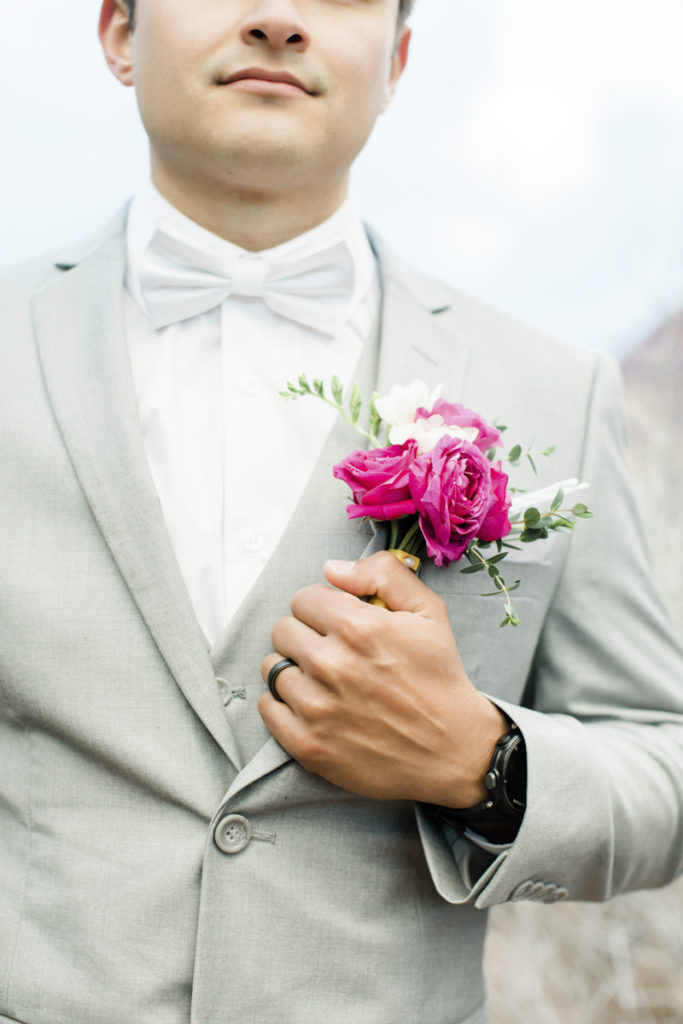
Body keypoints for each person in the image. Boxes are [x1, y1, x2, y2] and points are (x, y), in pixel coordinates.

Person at [1, 2, 682, 1023]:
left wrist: (478, 759)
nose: (278, 19)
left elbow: (659, 767)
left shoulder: (553, 390)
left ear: (398, 59)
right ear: (118, 33)